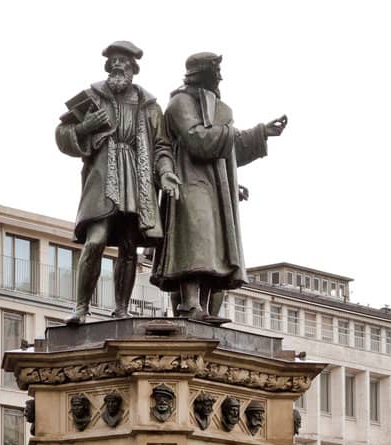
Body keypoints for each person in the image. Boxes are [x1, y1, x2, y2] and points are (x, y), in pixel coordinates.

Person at [153, 52, 287, 321]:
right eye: (215, 73)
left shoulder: (218, 107)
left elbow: (231, 149)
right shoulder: (180, 103)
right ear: (203, 75)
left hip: (215, 187)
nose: (219, 79)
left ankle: (203, 308)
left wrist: (261, 133)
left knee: (213, 247)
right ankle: (190, 305)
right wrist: (229, 131)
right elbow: (197, 139)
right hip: (188, 181)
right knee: (194, 241)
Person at [55, 41, 178, 322]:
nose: (118, 66)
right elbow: (62, 132)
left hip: (137, 177)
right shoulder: (92, 97)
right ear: (108, 67)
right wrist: (86, 127)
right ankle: (81, 307)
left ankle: (121, 308)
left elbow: (161, 146)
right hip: (102, 176)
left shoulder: (149, 105)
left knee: (128, 245)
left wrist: (166, 170)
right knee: (95, 240)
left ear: (134, 69)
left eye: (123, 61)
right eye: (113, 61)